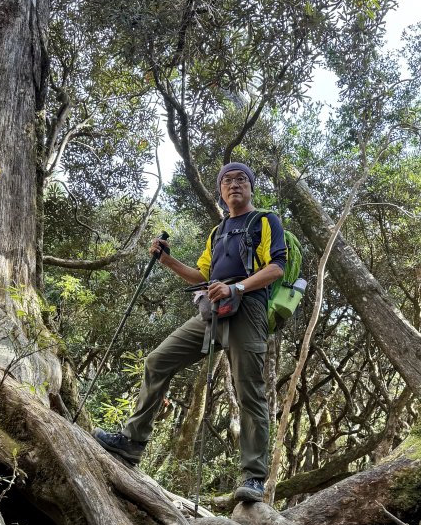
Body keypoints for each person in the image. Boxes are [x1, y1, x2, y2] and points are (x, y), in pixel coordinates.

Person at [93, 162, 287, 503]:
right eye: (226, 181)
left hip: (248, 307)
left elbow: (276, 267)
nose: (234, 184)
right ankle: (132, 442)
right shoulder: (218, 231)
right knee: (158, 360)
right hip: (212, 309)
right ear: (221, 192)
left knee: (249, 391)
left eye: (241, 179)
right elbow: (200, 275)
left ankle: (254, 478)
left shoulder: (265, 220)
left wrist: (236, 289)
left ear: (251, 187)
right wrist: (167, 260)